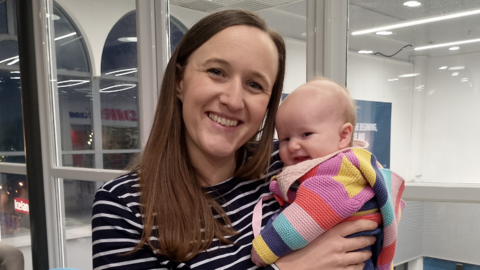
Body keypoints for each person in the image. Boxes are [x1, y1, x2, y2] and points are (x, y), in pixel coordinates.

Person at [92, 10, 378, 270]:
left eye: (254, 84)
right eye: (216, 72)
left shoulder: (291, 165)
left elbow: (367, 202)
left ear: (268, 104)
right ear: (179, 81)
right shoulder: (122, 206)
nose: (233, 100)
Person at [250, 78, 405, 269]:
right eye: (285, 138)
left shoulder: (339, 169)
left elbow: (308, 214)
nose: (293, 145)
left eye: (306, 134)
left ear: (343, 136)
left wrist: (266, 247)